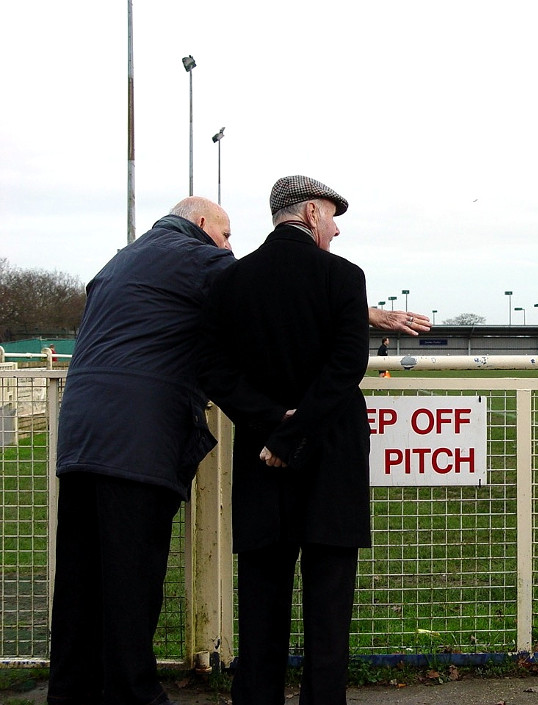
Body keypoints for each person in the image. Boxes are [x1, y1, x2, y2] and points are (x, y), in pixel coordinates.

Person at [49, 197, 235, 705]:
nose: (229, 247)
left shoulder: (123, 259)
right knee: (132, 582)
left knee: (80, 584)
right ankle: (135, 695)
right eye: (226, 235)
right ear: (201, 225)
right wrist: (361, 309)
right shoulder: (195, 256)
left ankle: (71, 693)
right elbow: (263, 293)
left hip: (84, 435)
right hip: (138, 440)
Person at [199, 175, 370, 705]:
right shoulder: (343, 277)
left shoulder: (229, 281)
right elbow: (347, 367)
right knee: (328, 608)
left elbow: (214, 369)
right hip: (331, 459)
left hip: (261, 457)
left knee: (261, 602)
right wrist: (297, 430)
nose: (336, 230)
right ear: (313, 214)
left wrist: (275, 425)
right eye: (333, 218)